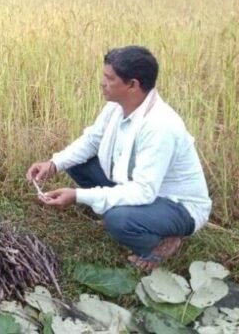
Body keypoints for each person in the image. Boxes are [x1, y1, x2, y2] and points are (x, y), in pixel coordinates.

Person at [26, 46, 212, 271]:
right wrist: (54, 164)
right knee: (76, 162)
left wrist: (78, 196)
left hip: (175, 204)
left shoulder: (160, 126)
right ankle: (132, 214)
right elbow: (92, 140)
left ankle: (161, 242)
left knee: (118, 219)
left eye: (109, 78)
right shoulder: (117, 106)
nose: (102, 83)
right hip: (136, 185)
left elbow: (144, 191)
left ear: (133, 85)